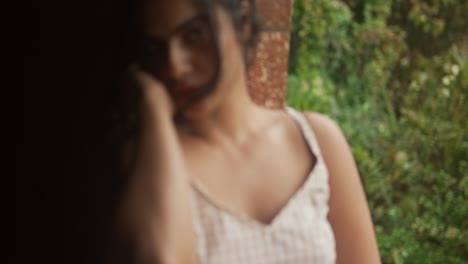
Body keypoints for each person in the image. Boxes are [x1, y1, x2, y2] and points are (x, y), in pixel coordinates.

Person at [110, 0, 382, 263]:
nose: (175, 66)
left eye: (194, 35)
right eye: (157, 48)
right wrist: (154, 107)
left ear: (241, 21)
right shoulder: (154, 160)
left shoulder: (316, 142)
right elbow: (159, 258)